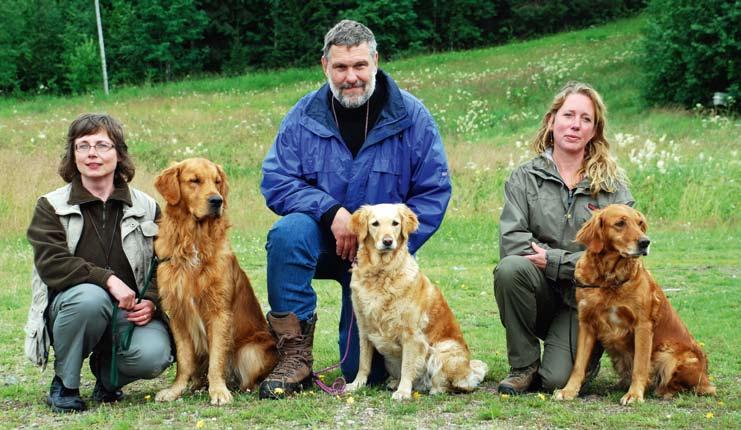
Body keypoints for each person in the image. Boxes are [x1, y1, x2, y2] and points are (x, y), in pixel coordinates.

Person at [259, 20, 452, 399]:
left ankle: (362, 356)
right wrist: (331, 213)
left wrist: (386, 245)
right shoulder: (302, 117)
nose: (352, 77)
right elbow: (276, 180)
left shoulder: (412, 117)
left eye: (360, 65)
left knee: (365, 371)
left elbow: (433, 193)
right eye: (341, 67)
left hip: (377, 261)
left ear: (376, 61)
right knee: (287, 234)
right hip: (319, 241)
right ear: (324, 66)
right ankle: (294, 357)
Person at [25, 113, 172, 412]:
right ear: (73, 155)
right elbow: (51, 263)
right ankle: (65, 385)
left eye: (102, 145)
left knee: (155, 354)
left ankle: (108, 377)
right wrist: (107, 279)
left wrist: (153, 301)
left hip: (128, 315)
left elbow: (167, 263)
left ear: (118, 154)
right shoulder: (51, 205)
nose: (92, 153)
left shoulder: (147, 207)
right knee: (90, 298)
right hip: (71, 311)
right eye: (83, 146)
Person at [493, 82, 634, 395]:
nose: (575, 124)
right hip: (537, 288)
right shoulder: (524, 177)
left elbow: (624, 254)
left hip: (588, 301)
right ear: (551, 120)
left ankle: (580, 356)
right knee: (510, 269)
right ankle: (523, 365)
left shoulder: (613, 187)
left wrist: (554, 260)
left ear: (595, 130)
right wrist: (580, 262)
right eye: (568, 115)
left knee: (557, 381)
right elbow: (513, 243)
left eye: (586, 119)